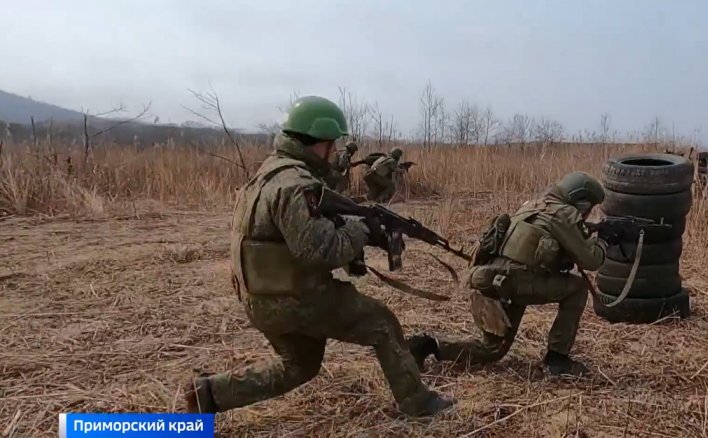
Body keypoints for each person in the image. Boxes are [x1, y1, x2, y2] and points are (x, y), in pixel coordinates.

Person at [185, 96, 452, 418]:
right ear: (319, 142)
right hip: (294, 299)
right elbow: (320, 251)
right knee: (382, 325)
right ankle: (418, 403)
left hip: (260, 298)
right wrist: (362, 230)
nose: (335, 151)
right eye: (331, 143)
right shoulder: (296, 185)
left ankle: (210, 395)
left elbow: (295, 236)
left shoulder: (270, 172)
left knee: (299, 366)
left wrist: (352, 225)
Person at [407, 172, 609, 376]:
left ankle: (427, 345)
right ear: (579, 199)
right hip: (513, 281)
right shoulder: (564, 214)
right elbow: (591, 260)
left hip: (491, 278)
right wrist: (605, 239)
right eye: (588, 207)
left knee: (492, 351)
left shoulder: (533, 206)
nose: (586, 213)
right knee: (578, 288)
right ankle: (557, 359)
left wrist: (589, 231)